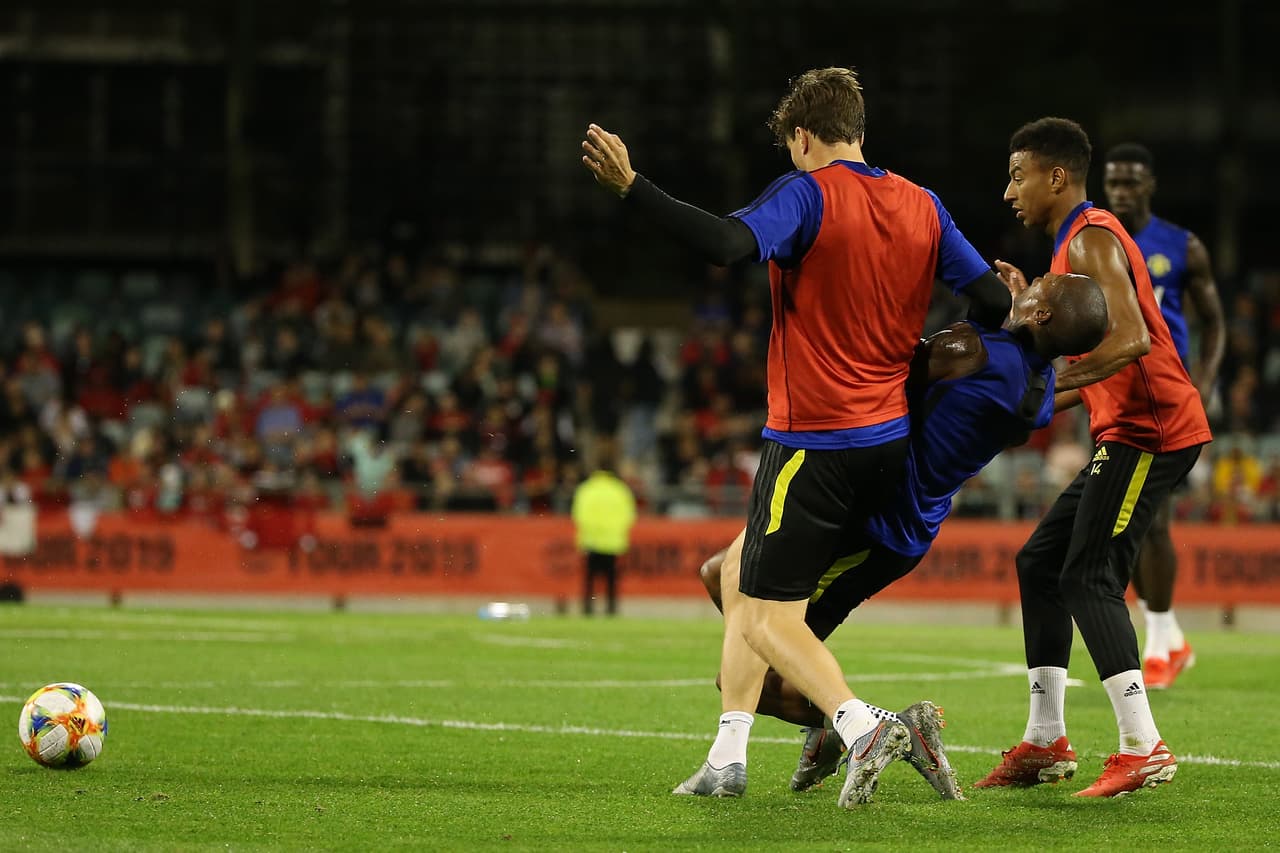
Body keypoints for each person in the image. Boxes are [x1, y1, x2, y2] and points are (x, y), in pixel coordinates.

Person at [582, 66, 1013, 806]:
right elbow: (997, 300)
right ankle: (727, 755)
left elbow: (725, 244)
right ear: (861, 131)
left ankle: (861, 725)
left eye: (792, 147)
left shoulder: (807, 193)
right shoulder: (922, 204)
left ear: (803, 137)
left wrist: (633, 189)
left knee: (765, 616)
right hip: (888, 443)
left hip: (814, 442)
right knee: (728, 574)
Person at [698, 272, 1110, 800]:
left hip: (870, 517)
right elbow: (1004, 378)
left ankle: (890, 729)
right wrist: (1016, 319)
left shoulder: (972, 348)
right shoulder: (1037, 388)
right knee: (725, 587)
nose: (1028, 283)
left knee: (748, 670)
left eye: (1041, 287)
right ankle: (835, 729)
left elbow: (892, 368)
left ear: (1043, 314)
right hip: (905, 526)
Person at [977, 118, 1211, 798]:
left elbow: (1134, 339)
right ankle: (1046, 740)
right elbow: (1098, 356)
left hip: (1152, 429)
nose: (1008, 190)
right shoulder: (1068, 249)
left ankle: (1143, 745)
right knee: (1040, 562)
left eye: (1018, 174)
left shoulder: (1090, 236)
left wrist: (1050, 385)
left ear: (1057, 176)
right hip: (1129, 428)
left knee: (1087, 575)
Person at [1102, 143, 1224, 690]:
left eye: (1131, 183)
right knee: (1126, 525)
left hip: (1167, 401)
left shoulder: (1181, 247)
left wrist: (1203, 383)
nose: (1121, 192)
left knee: (1152, 520)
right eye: (1114, 183)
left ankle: (1157, 648)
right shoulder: (1096, 240)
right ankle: (1171, 637)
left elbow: (1215, 321)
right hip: (1117, 397)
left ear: (1149, 184)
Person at [569, 442, 637, 616]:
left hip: (591, 540)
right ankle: (611, 609)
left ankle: (587, 609)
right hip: (613, 542)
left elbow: (578, 515)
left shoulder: (586, 489)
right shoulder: (620, 490)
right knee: (611, 580)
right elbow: (629, 515)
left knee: (590, 579)